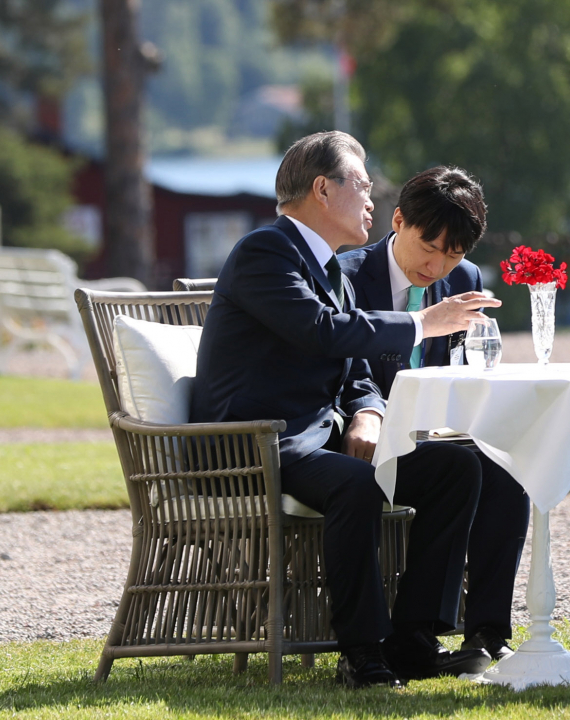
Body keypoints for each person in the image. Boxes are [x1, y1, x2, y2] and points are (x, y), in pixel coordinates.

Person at [190, 131, 503, 689]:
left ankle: (413, 640)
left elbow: (353, 367)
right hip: (254, 445)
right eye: (361, 183)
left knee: (457, 469)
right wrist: (423, 323)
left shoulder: (331, 266)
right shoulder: (265, 251)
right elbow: (320, 331)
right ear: (322, 190)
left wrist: (367, 411)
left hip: (316, 440)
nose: (371, 197)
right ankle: (364, 654)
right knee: (356, 483)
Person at [339, 166, 530, 661]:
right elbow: (345, 364)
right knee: (460, 470)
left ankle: (487, 634)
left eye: (454, 252)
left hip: (436, 437)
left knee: (509, 466)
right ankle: (416, 637)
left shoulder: (463, 280)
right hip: (365, 439)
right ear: (398, 220)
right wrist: (371, 410)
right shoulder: (349, 275)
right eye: (429, 245)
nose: (437, 264)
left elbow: (468, 367)